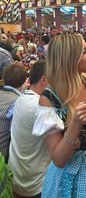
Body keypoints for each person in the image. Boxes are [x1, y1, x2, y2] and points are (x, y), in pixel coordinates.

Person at [32, 34, 86, 198]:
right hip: (72, 178)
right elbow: (59, 160)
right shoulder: (48, 99)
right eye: (84, 51)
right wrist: (75, 124)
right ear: (68, 58)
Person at [8, 60, 50, 198]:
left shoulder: (21, 98)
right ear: (44, 80)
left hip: (16, 179)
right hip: (35, 185)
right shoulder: (39, 106)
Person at [0, 63, 27, 162]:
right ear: (24, 80)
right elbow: (17, 136)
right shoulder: (18, 102)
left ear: (3, 78)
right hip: (3, 160)